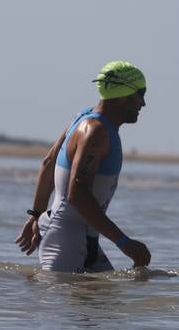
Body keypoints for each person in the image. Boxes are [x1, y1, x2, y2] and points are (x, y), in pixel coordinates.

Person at [14, 61, 152, 273]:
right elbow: (77, 194)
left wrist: (36, 215)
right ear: (123, 95)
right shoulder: (94, 131)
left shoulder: (84, 118)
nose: (143, 103)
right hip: (64, 238)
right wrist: (124, 242)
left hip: (84, 237)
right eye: (140, 94)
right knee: (61, 295)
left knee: (123, 289)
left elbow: (48, 163)